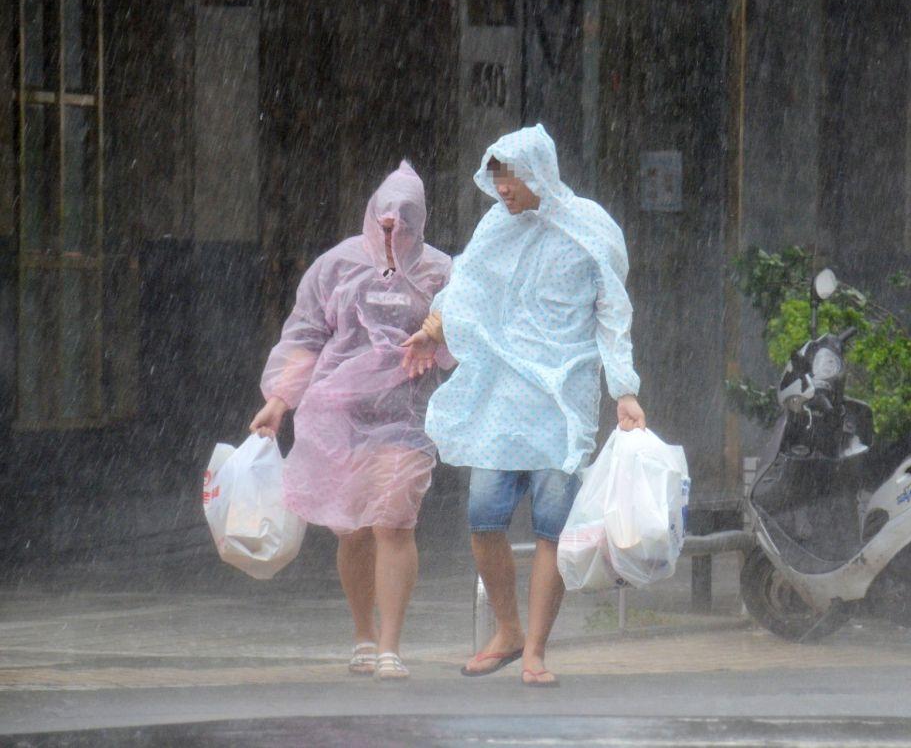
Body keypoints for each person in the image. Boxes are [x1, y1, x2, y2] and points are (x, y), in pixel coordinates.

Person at [403, 124, 645, 687]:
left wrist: (623, 389)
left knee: (551, 526)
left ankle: (535, 648)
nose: (502, 188)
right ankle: (507, 630)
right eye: (496, 176)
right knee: (484, 516)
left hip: (564, 397)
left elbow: (613, 312)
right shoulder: (495, 227)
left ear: (539, 170)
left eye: (509, 175)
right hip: (501, 396)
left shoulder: (590, 228)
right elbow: (467, 287)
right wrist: (433, 329)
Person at [249, 163, 452, 681]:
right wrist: (279, 400)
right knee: (354, 531)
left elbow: (466, 334)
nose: (393, 230)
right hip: (338, 415)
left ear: (421, 219)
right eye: (385, 220)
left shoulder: (440, 273)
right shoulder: (336, 266)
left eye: (405, 220)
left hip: (405, 415)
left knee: (393, 522)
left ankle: (390, 645)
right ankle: (363, 635)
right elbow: (306, 334)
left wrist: (438, 338)